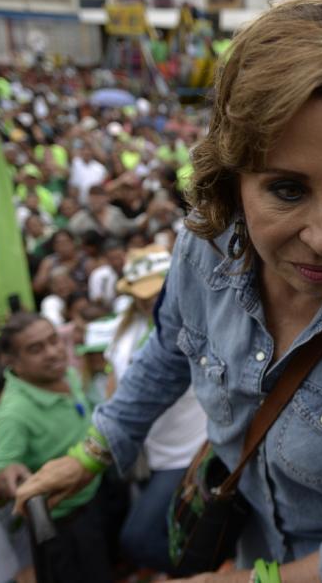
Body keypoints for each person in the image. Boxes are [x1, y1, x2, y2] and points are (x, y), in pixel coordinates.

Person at [16, 0, 322, 582]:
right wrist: (95, 450)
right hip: (240, 534)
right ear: (233, 182)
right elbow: (169, 347)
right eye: (287, 189)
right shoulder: (202, 249)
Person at [0, 313, 111, 581]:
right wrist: (3, 482)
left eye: (54, 341)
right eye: (35, 349)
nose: (53, 353)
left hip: (97, 495)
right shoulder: (11, 416)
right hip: (67, 525)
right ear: (15, 362)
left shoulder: (66, 375)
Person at [105, 245, 207, 572]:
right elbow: (114, 388)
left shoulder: (195, 321)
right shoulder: (122, 332)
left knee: (138, 538)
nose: (149, 300)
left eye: (156, 290)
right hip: (149, 455)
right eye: (142, 294)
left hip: (189, 451)